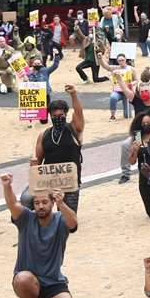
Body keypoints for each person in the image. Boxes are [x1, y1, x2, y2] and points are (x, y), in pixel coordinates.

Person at [3, 173, 77, 298]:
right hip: (29, 280)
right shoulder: (26, 219)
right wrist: (7, 186)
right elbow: (12, 205)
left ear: (52, 202)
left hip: (53, 280)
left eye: (44, 202)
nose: (40, 206)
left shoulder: (60, 219)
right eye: (36, 203)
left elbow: (73, 223)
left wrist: (62, 203)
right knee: (22, 279)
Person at [34, 86, 85, 217]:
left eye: (61, 115)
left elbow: (79, 113)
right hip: (49, 181)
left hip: (70, 182)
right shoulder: (44, 135)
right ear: (50, 116)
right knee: (28, 201)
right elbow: (38, 161)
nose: (58, 118)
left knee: (67, 218)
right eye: (54, 116)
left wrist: (73, 95)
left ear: (66, 115)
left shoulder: (74, 129)